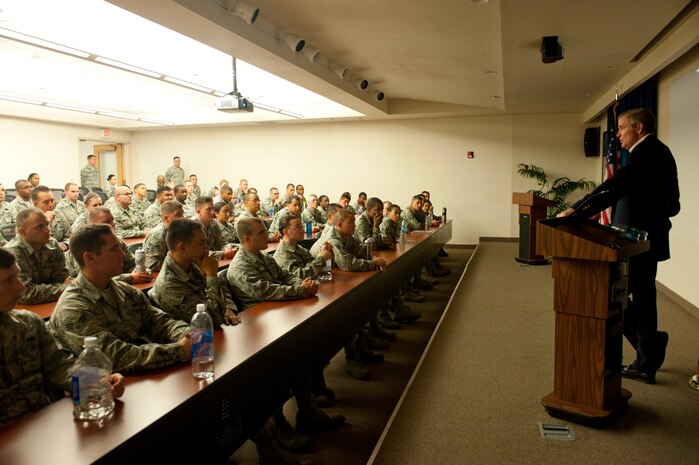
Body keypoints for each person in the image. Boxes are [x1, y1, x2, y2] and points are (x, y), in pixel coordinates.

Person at [559, 108, 679, 384]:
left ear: (638, 128)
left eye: (622, 127)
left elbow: (615, 187)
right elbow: (674, 205)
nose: (618, 134)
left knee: (613, 294)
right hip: (649, 240)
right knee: (644, 296)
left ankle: (648, 349)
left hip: (634, 241)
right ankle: (648, 352)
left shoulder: (646, 154)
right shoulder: (663, 153)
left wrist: (577, 210)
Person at [0, 248, 125, 427]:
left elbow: (60, 366)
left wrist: (99, 382)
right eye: (8, 280)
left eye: (17, 277)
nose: (20, 287)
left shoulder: (28, 323)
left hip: (42, 423)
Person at [49, 224, 192, 373]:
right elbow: (114, 357)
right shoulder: (73, 307)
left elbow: (159, 321)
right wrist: (179, 350)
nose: (122, 255)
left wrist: (188, 334)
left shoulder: (124, 290)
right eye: (113, 250)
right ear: (90, 257)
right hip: (113, 386)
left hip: (146, 373)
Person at [148, 218, 240, 326]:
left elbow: (221, 288)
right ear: (182, 247)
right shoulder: (169, 286)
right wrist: (211, 275)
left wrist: (228, 307)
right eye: (201, 243)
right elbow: (210, 320)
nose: (207, 248)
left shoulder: (192, 262)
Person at [227, 217, 318, 311]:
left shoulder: (264, 256)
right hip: (258, 313)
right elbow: (265, 291)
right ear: (247, 239)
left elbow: (285, 276)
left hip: (278, 304)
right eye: (261, 233)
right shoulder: (240, 266)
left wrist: (304, 284)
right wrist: (301, 290)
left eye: (265, 231)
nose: (267, 236)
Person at [65, 207, 152, 285]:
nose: (113, 223)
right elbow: (90, 279)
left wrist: (142, 270)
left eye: (113, 220)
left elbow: (131, 263)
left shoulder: (117, 241)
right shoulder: (84, 246)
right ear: (92, 224)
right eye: (107, 221)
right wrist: (130, 278)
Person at [5, 208, 70, 304]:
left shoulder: (52, 244)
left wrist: (62, 287)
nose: (47, 230)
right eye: (39, 227)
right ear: (22, 232)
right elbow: (25, 293)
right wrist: (65, 288)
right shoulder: (12, 253)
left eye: (47, 224)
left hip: (51, 303)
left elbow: (61, 278)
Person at [274, 215, 332, 280]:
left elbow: (312, 263)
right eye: (298, 227)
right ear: (285, 232)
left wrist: (322, 252)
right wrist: (321, 258)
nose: (302, 230)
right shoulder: (282, 254)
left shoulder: (298, 248)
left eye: (302, 227)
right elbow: (299, 277)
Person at [142, 200, 185, 271]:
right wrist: (180, 265)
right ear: (166, 218)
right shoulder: (157, 235)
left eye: (182, 214)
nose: (183, 218)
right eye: (178, 215)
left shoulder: (178, 230)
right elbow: (152, 265)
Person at [31, 185, 71, 251]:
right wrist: (47, 221)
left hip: (60, 254)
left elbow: (69, 235)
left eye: (52, 201)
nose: (51, 205)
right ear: (35, 204)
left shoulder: (58, 214)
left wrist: (65, 245)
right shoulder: (27, 219)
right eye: (46, 202)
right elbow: (36, 245)